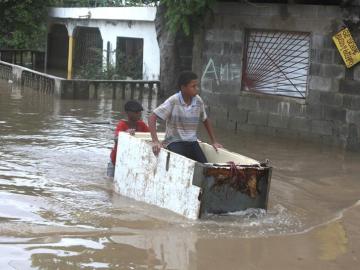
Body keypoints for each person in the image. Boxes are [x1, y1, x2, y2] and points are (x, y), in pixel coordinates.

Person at [148, 71, 222, 163]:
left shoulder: (198, 101)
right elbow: (152, 117)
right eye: (193, 86)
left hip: (192, 142)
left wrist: (214, 141)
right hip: (174, 141)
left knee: (205, 167)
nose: (197, 89)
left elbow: (205, 119)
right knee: (181, 163)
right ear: (183, 88)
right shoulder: (174, 100)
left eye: (197, 86)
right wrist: (155, 141)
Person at [110, 100, 149, 166]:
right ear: (128, 113)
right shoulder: (122, 124)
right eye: (136, 112)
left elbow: (150, 136)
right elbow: (116, 139)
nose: (139, 114)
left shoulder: (142, 125)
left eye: (140, 112)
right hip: (116, 160)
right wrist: (125, 134)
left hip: (131, 159)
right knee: (110, 176)